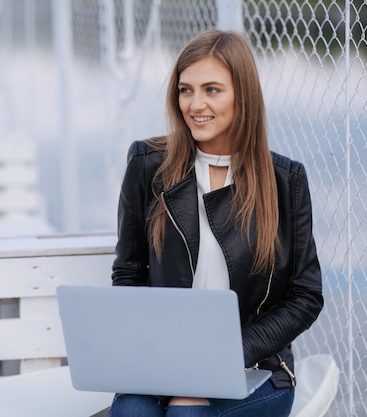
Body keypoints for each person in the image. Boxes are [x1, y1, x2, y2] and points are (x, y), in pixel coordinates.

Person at [109, 29, 323, 417]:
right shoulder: (148, 164)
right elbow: (128, 272)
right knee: (132, 411)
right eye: (185, 90)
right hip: (163, 361)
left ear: (243, 96)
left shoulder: (285, 181)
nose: (195, 104)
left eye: (212, 90)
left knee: (187, 414)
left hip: (254, 368)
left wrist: (227, 356)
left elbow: (305, 296)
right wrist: (151, 355)